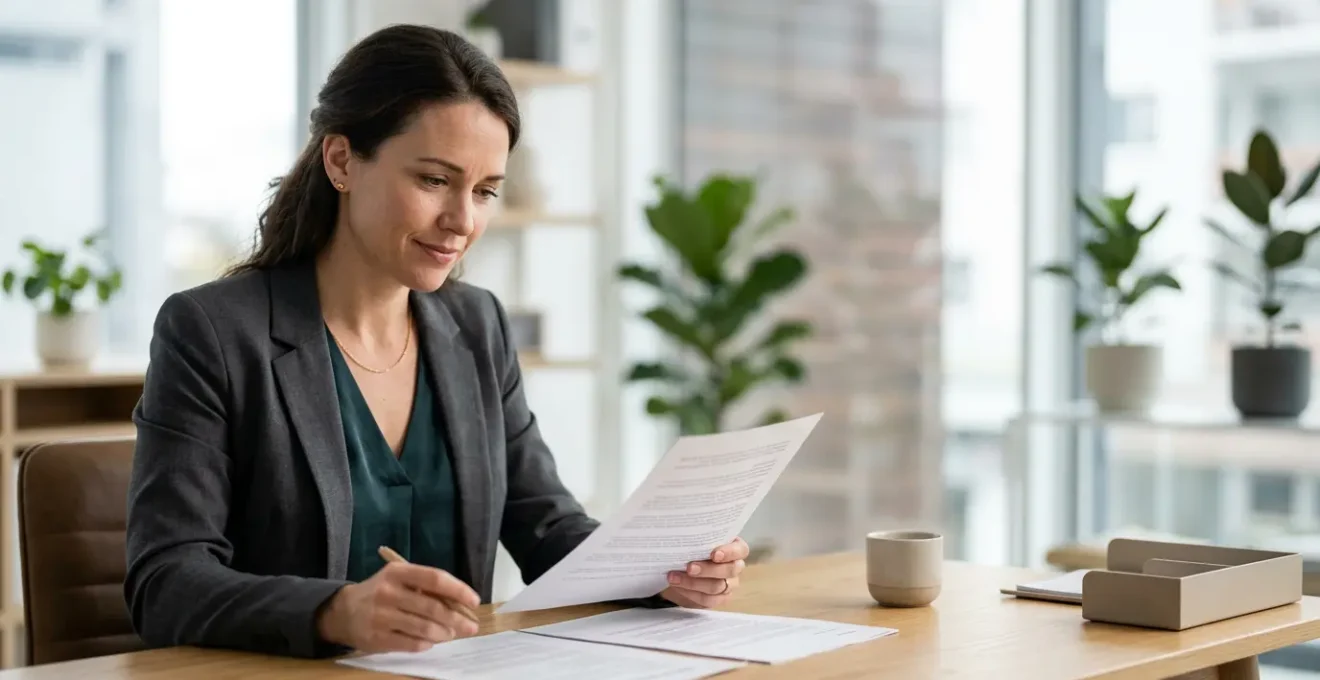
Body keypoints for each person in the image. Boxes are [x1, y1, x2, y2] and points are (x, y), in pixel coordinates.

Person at [123, 24, 750, 660]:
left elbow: (548, 528)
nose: (463, 221)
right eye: (432, 181)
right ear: (341, 161)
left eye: (484, 192)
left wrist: (662, 574)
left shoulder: (476, 326)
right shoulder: (213, 332)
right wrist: (337, 611)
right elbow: (165, 583)